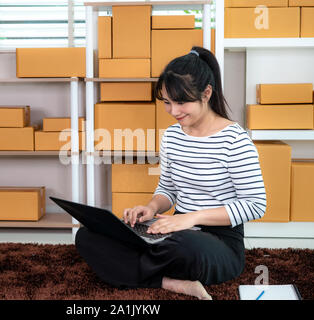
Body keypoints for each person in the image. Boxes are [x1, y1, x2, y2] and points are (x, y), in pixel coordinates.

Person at [75, 46, 267, 300]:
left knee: (185, 247)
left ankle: (134, 266)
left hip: (216, 241)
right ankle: (171, 282)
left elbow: (255, 205)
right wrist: (152, 208)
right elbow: (168, 189)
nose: (174, 111)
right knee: (88, 235)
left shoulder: (235, 140)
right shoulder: (172, 136)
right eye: (167, 102)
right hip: (172, 230)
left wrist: (190, 219)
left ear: (206, 93)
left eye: (181, 102)